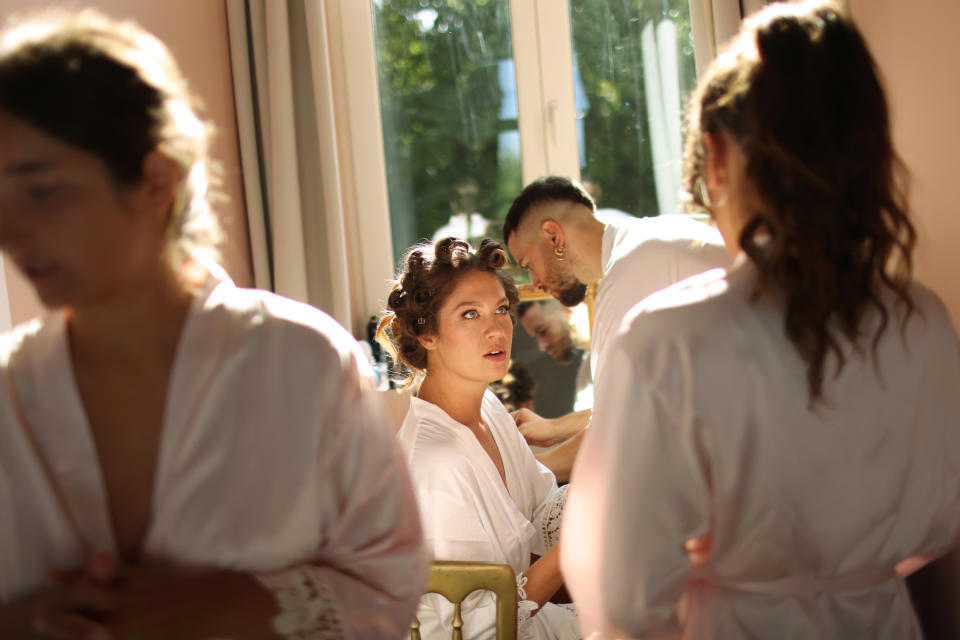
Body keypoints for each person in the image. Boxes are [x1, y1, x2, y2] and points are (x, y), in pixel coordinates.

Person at [0, 9, 425, 639]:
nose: (12, 231)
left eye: (42, 192)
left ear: (154, 179)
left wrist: (235, 604)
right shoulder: (7, 395)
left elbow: (389, 585)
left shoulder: (301, 362)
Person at [561, 1, 960, 638]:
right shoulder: (926, 323)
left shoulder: (668, 342)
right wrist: (840, 569)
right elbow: (941, 521)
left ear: (716, 158)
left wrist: (741, 574)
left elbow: (621, 595)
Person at [378, 237, 579, 640]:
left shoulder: (489, 410)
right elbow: (475, 631)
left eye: (501, 310)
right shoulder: (437, 462)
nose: (496, 329)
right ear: (427, 334)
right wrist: (575, 544)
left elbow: (539, 516)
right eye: (470, 314)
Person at [503, 177, 730, 478]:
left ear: (553, 236)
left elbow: (614, 435)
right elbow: (634, 406)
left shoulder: (629, 271)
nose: (536, 284)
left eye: (528, 264)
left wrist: (513, 476)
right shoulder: (651, 236)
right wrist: (555, 428)